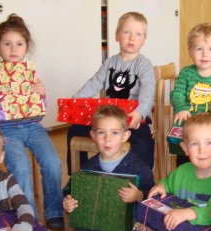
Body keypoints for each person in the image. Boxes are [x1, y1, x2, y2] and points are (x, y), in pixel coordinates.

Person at [0, 14, 64, 230]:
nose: (13, 49)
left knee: (53, 163)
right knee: (21, 168)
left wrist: (42, 93)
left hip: (33, 126)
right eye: (7, 44)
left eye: (19, 44)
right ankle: (28, 216)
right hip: (6, 129)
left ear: (27, 47)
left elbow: (39, 106)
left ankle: (54, 211)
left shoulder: (29, 71)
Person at [59, 105, 155, 231]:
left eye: (114, 133)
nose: (107, 139)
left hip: (123, 225)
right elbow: (71, 191)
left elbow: (151, 195)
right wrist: (68, 203)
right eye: (101, 133)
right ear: (93, 135)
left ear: (125, 136)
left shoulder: (138, 167)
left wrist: (138, 196)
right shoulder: (89, 166)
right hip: (93, 222)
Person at [66, 11, 155, 172]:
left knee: (143, 142)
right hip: (109, 117)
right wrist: (75, 101)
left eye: (138, 34)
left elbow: (148, 92)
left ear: (144, 40)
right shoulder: (109, 63)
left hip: (133, 117)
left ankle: (144, 179)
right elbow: (93, 84)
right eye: (126, 32)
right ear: (117, 36)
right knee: (74, 130)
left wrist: (140, 113)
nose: (132, 38)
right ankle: (79, 175)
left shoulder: (144, 64)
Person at [170, 23, 211, 165]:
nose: (205, 54)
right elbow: (177, 94)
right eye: (199, 49)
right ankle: (185, 176)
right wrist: (181, 107)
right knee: (185, 153)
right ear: (190, 51)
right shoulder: (186, 73)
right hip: (191, 125)